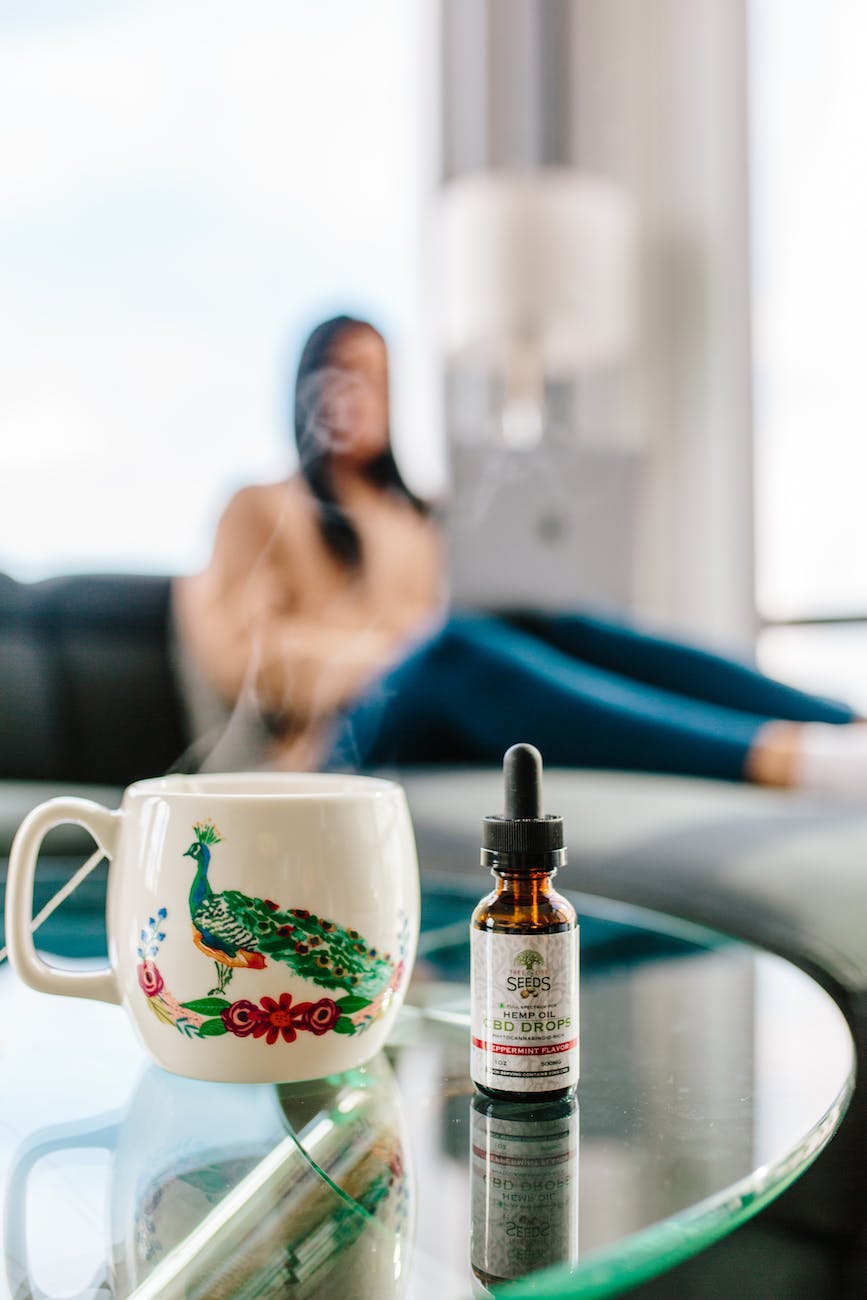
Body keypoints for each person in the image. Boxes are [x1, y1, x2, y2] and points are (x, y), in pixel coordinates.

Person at [173, 314, 867, 798]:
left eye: (375, 379)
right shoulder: (260, 508)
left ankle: (839, 724)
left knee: (557, 625)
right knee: (450, 650)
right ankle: (786, 760)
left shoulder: (421, 522)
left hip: (441, 704)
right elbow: (240, 655)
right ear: (306, 387)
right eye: (340, 375)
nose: (355, 397)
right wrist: (394, 648)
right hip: (337, 741)